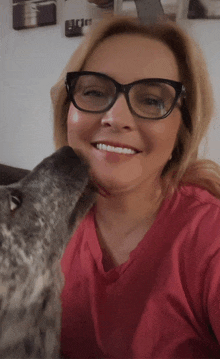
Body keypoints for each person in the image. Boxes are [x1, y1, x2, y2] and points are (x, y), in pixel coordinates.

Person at [51, 15, 220, 358]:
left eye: (151, 101)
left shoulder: (210, 238)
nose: (116, 117)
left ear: (181, 128)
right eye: (95, 91)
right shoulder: (46, 221)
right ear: (67, 109)